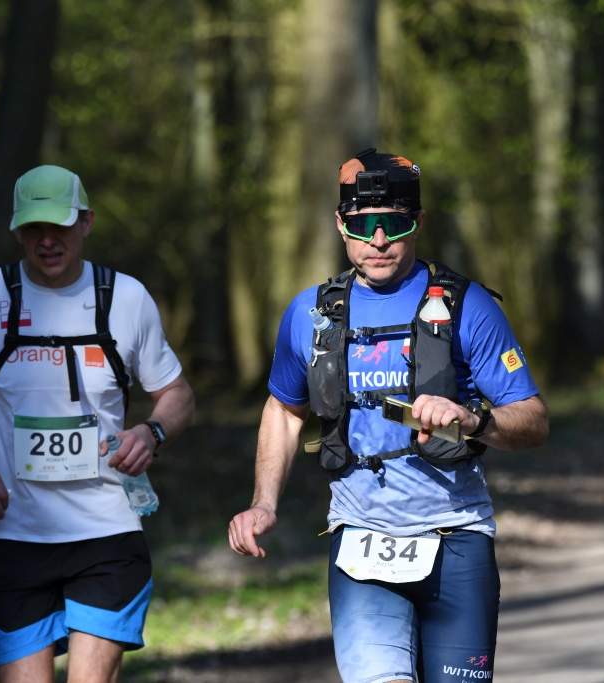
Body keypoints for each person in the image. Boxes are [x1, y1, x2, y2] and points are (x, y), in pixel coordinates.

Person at [228, 149, 548, 683]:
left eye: (393, 225)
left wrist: (474, 420)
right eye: (362, 225)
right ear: (340, 224)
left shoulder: (469, 306)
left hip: (457, 540)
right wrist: (263, 503)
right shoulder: (310, 313)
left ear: (417, 222)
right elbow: (284, 410)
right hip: (361, 544)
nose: (378, 240)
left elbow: (533, 420)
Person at [0, 165, 194, 682]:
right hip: (12, 537)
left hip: (106, 534)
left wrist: (151, 432)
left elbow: (177, 394)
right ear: (16, 230)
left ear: (85, 222)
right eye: (33, 227)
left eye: (59, 225)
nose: (46, 240)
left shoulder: (126, 298)